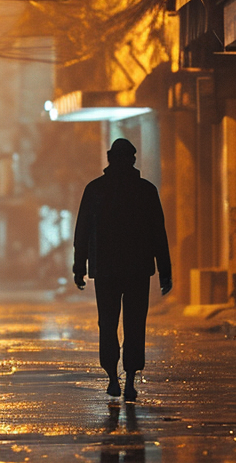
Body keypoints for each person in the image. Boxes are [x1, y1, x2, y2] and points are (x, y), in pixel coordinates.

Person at [72, 138, 172, 401]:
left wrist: (79, 266)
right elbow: (158, 234)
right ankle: (129, 382)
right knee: (135, 324)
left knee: (107, 323)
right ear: (133, 160)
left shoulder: (95, 190)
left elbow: (82, 231)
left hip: (105, 270)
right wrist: (165, 271)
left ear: (109, 159)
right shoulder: (146, 190)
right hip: (138, 270)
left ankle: (112, 378)